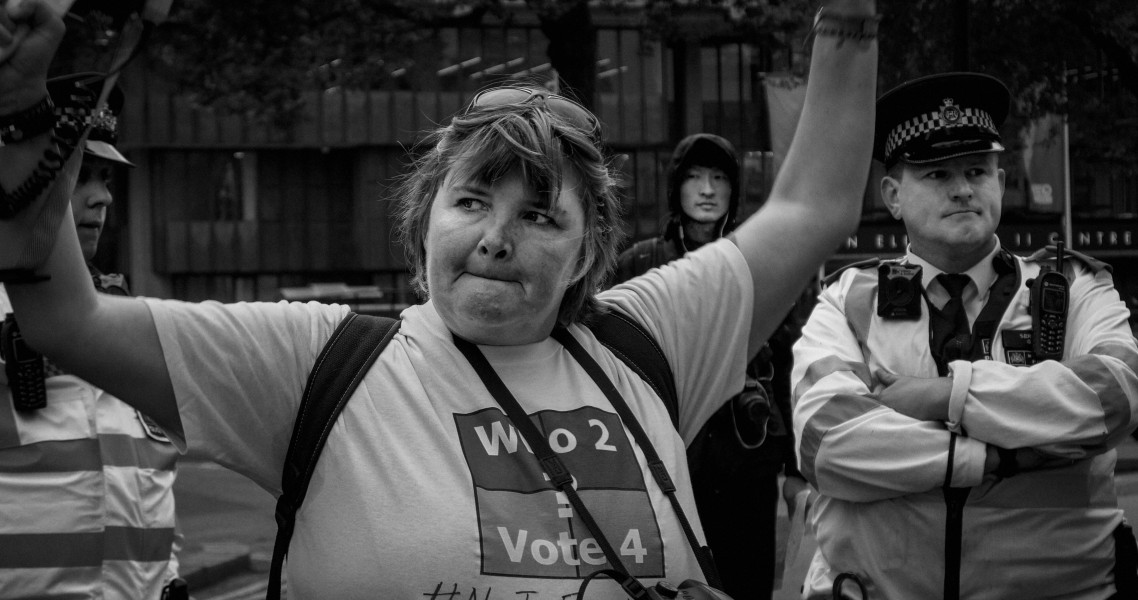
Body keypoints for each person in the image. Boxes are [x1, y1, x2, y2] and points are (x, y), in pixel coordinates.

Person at [0, 0, 878, 596]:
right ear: (424, 219)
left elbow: (813, 203)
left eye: (539, 214)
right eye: (470, 202)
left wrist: (849, 16)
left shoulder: (651, 341)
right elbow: (63, 318)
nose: (497, 236)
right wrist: (32, 92)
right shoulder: (317, 366)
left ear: (586, 253)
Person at [791, 71, 1138, 599]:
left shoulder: (1075, 286)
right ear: (893, 195)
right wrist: (1001, 456)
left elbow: (1115, 395)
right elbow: (827, 442)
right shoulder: (848, 300)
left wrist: (943, 396)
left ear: (1000, 183)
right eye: (936, 174)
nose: (962, 188)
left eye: (978, 170)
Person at [0, 73, 184, 599]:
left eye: (106, 180)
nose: (101, 198)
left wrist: (169, 576)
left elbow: (151, 482)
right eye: (82, 176)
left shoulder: (132, 319)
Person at [612, 132, 813, 599]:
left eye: (719, 178)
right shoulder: (638, 263)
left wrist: (795, 470)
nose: (707, 189)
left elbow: (786, 366)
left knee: (746, 583)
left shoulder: (759, 262)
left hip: (748, 458)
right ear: (675, 188)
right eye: (695, 177)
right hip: (665, 459)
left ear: (733, 191)